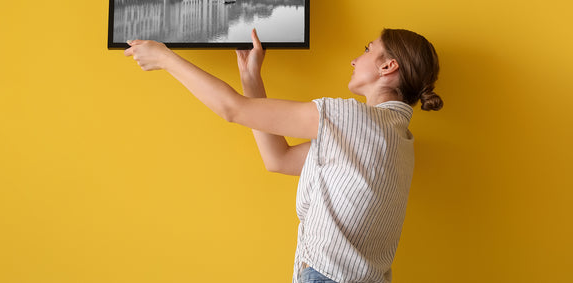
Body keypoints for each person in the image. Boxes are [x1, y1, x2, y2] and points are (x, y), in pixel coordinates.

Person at [124, 28, 443, 283]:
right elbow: (278, 159)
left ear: (388, 66)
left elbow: (232, 109)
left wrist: (165, 58)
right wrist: (252, 80)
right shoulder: (396, 139)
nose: (354, 60)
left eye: (366, 49)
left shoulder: (351, 119)